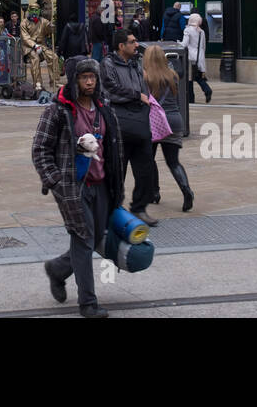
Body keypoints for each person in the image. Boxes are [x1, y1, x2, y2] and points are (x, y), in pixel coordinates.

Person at [32, 56, 123, 319]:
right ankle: (88, 304)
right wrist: (55, 181)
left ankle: (58, 269)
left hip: (103, 183)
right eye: (84, 77)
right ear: (74, 80)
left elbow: (114, 145)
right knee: (83, 239)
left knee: (93, 239)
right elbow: (40, 149)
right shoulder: (58, 111)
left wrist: (116, 179)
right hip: (73, 187)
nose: (90, 81)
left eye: (92, 76)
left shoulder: (104, 106)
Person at [100, 28, 160, 226]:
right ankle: (113, 209)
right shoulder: (107, 64)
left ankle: (139, 208)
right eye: (132, 42)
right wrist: (136, 96)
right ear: (121, 46)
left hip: (139, 122)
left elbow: (144, 89)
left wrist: (142, 101)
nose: (136, 45)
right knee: (117, 170)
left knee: (146, 168)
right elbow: (110, 90)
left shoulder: (135, 64)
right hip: (119, 123)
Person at [142, 44, 194, 212]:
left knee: (149, 159)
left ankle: (154, 192)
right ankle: (186, 190)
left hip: (154, 123)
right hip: (174, 120)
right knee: (173, 162)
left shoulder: (145, 77)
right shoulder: (173, 76)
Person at [20, 3, 61, 95]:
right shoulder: (24, 23)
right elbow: (25, 38)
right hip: (29, 47)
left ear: (39, 11)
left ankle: (54, 81)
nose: (34, 12)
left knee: (53, 57)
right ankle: (37, 83)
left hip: (42, 45)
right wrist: (34, 45)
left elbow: (49, 30)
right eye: (32, 10)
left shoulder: (43, 21)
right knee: (35, 59)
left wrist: (52, 28)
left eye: (36, 10)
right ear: (30, 11)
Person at [182, 12, 212, 103]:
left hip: (190, 57)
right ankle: (207, 90)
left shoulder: (187, 30)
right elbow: (203, 46)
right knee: (198, 77)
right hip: (199, 57)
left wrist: (177, 43)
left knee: (189, 79)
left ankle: (191, 99)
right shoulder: (201, 31)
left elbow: (185, 44)